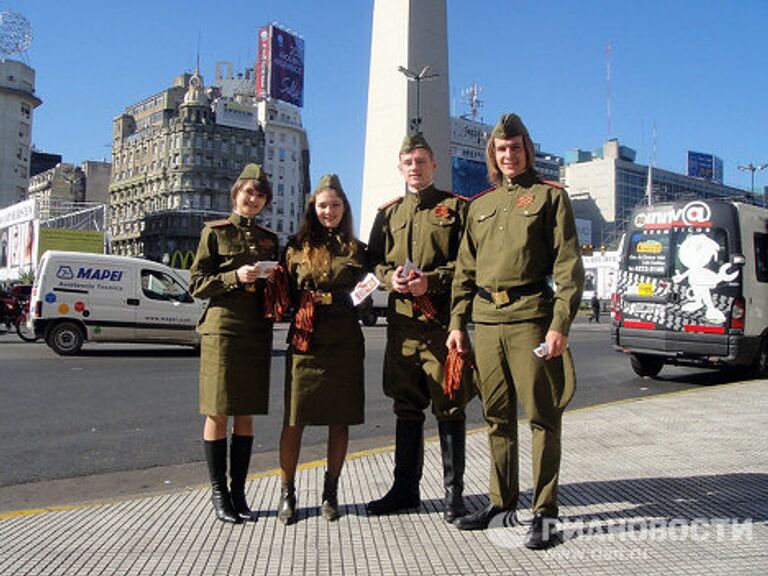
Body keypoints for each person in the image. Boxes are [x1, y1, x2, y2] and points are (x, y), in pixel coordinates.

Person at [446, 113, 584, 549]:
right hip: (486, 321)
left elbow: (568, 267)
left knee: (543, 416)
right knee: (496, 417)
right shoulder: (479, 205)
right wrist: (456, 323)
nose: (509, 156)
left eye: (516, 148)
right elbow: (464, 270)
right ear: (494, 154)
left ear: (527, 150)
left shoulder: (550, 198)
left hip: (530, 317)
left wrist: (560, 324)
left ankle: (545, 512)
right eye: (502, 150)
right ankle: (501, 502)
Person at [366, 133, 473, 523]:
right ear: (400, 167)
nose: (415, 167)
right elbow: (373, 260)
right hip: (402, 329)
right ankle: (405, 489)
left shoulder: (455, 208)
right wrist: (386, 279)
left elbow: (467, 265)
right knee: (406, 407)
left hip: (440, 327)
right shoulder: (389, 213)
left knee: (449, 406)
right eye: (408, 162)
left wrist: (433, 280)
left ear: (434, 165)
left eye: (421, 161)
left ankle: (453, 494)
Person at [189, 164, 278, 524]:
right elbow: (197, 283)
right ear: (236, 194)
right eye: (248, 192)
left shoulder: (270, 239)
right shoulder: (214, 233)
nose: (253, 199)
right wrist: (233, 276)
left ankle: (239, 492)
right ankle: (218, 493)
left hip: (257, 330)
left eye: (259, 195)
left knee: (246, 411)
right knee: (218, 410)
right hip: (223, 329)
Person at [277, 174, 367, 524]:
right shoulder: (294, 247)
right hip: (306, 338)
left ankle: (331, 493)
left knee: (339, 420)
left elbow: (368, 287)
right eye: (322, 205)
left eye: (335, 205)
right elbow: (283, 290)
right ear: (313, 209)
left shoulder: (358, 250)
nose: (328, 211)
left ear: (344, 208)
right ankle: (288, 492)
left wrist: (358, 299)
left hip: (344, 338)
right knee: (294, 419)